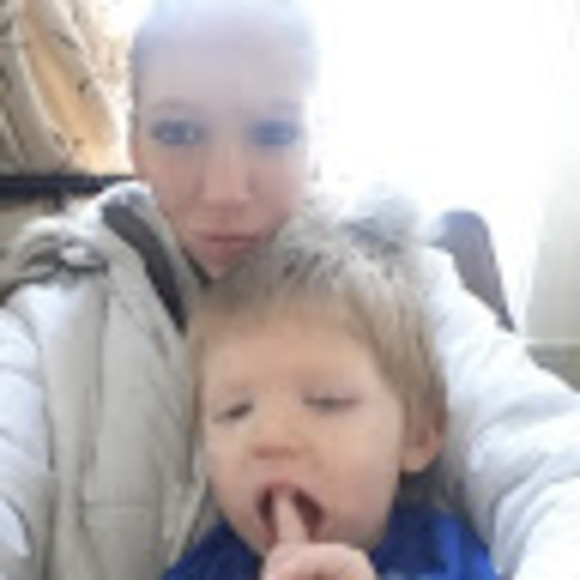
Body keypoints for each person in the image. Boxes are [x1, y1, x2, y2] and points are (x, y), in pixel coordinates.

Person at [0, 0, 579, 578]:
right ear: (136, 146)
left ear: (316, 138)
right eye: (179, 133)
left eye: (273, 132)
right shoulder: (45, 321)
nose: (225, 190)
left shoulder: (403, 284)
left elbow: (552, 466)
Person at [163, 212, 497, 579]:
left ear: (418, 435)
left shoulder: (449, 558)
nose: (270, 438)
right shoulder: (205, 569)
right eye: (236, 411)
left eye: (327, 402)